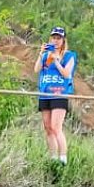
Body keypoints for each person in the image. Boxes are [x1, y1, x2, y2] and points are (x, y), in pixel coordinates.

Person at [33, 26, 76, 163]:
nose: (56, 41)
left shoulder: (69, 55)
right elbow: (36, 69)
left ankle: (63, 159)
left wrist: (56, 60)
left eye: (59, 38)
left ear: (63, 40)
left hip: (59, 93)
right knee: (48, 127)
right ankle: (53, 158)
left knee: (56, 127)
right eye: (54, 38)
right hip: (45, 94)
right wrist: (41, 54)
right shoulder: (45, 55)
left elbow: (66, 73)